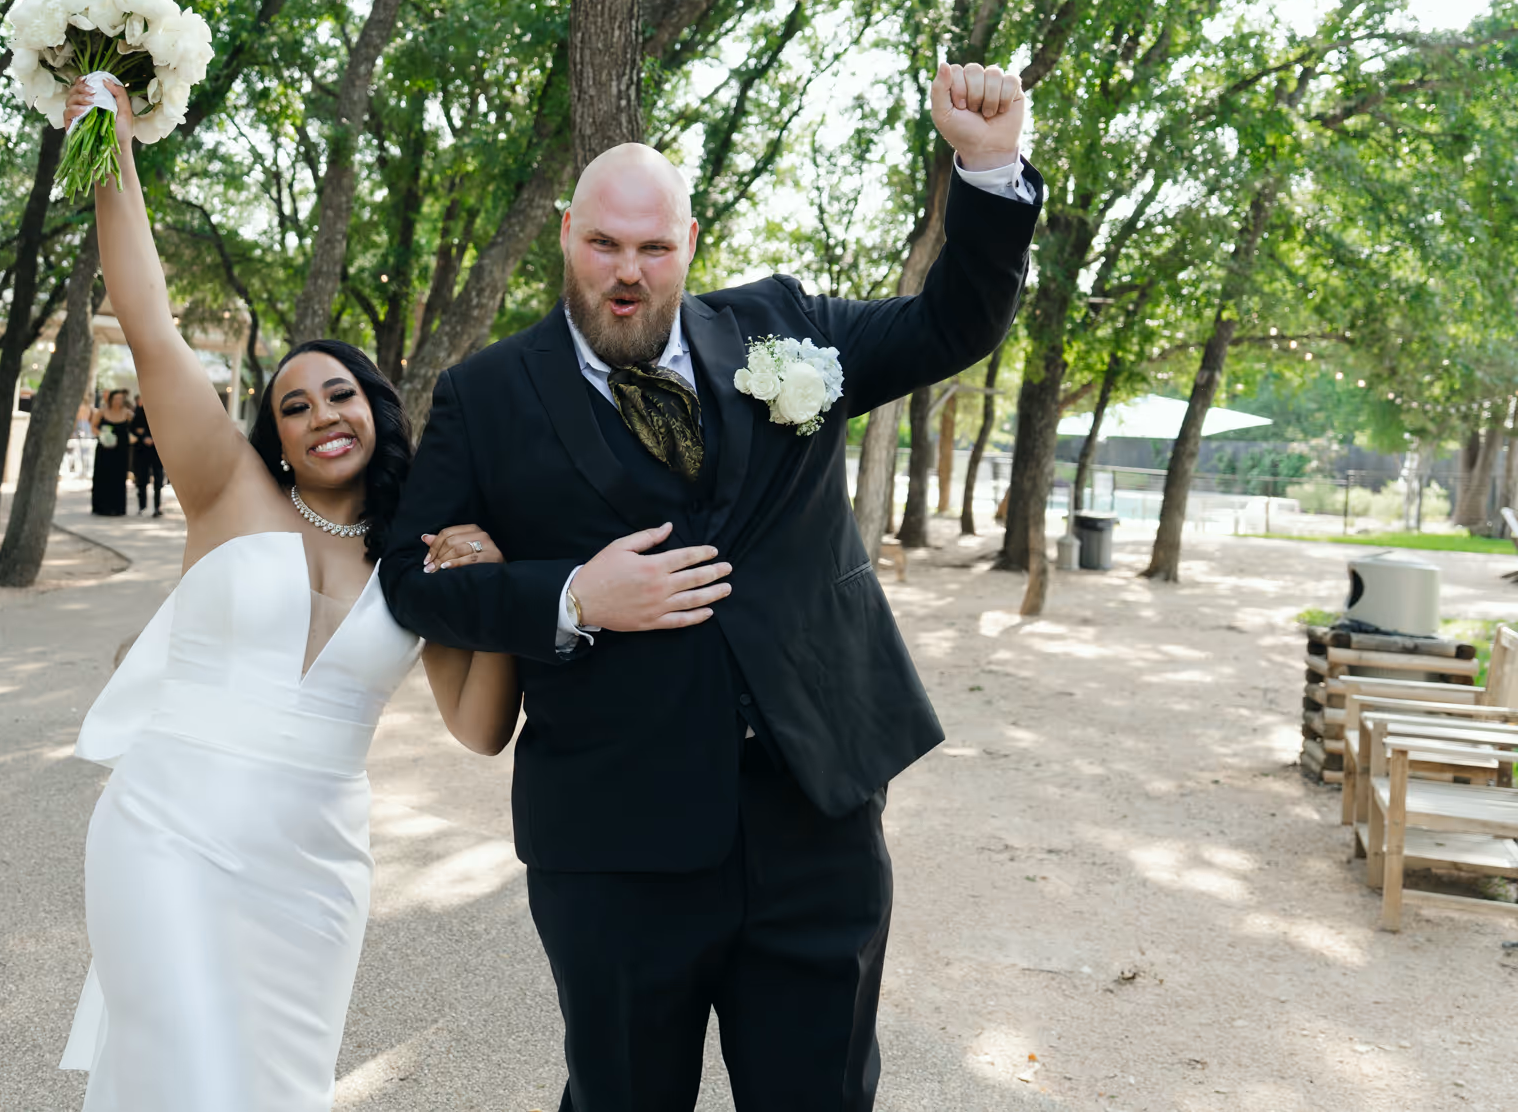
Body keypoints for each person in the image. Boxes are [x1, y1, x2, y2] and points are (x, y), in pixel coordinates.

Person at [380, 62, 1042, 1111]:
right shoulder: (486, 396)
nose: (626, 273)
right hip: (614, 847)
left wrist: (988, 167)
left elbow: (947, 325)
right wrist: (569, 598)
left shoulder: (784, 328)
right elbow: (410, 578)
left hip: (813, 820)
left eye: (651, 247)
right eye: (602, 244)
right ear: (565, 234)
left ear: (690, 244)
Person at [57, 75, 519, 1109]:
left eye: (340, 393)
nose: (320, 415)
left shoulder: (416, 560)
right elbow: (148, 320)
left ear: (377, 407)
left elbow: (481, 729)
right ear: (274, 433)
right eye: (294, 404)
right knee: (181, 1072)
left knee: (274, 1089)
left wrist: (487, 598)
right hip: (166, 829)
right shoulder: (227, 490)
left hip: (314, 870)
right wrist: (113, 145)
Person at [89, 389, 134, 516]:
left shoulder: (127, 414)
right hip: (105, 450)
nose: (118, 401)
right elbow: (93, 427)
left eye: (120, 399)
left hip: (121, 451)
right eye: (115, 399)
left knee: (118, 478)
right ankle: (101, 507)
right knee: (103, 477)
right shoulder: (102, 412)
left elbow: (134, 428)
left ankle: (118, 507)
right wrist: (103, 436)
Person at [128, 393, 164, 516]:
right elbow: (133, 428)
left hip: (157, 451)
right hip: (142, 451)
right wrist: (143, 437)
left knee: (158, 480)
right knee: (142, 479)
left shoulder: (162, 414)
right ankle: (142, 506)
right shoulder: (140, 413)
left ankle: (157, 507)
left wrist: (154, 438)